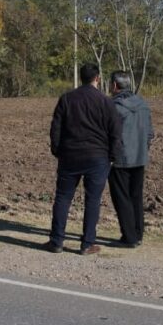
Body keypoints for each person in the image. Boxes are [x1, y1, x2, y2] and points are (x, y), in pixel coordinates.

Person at [44, 63, 121, 255]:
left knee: (63, 198)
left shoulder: (67, 99)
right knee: (92, 200)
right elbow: (115, 132)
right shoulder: (106, 102)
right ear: (98, 78)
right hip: (97, 157)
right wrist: (113, 156)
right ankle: (87, 244)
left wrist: (57, 150)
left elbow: (56, 127)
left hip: (70, 155)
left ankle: (56, 241)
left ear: (80, 77)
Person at [107, 70, 154, 247]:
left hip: (120, 160)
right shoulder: (143, 104)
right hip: (140, 158)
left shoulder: (113, 107)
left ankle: (129, 237)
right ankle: (138, 233)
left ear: (114, 85)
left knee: (121, 198)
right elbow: (150, 133)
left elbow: (110, 133)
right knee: (136, 197)